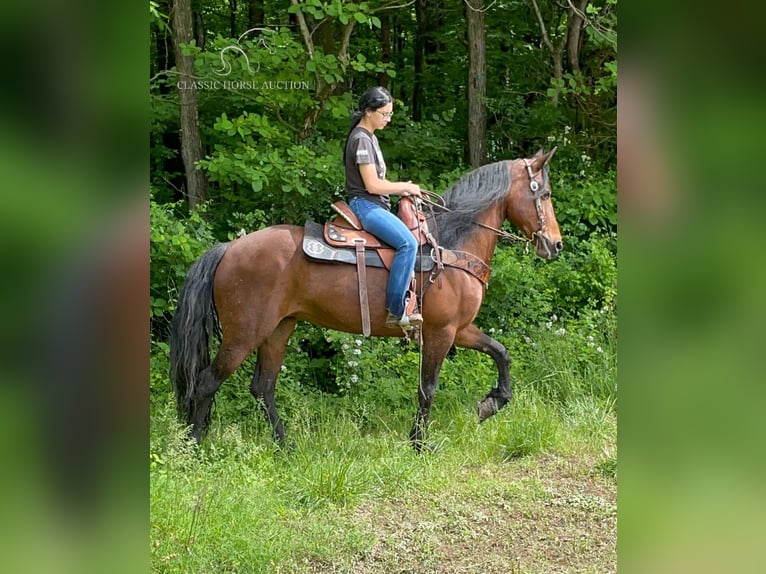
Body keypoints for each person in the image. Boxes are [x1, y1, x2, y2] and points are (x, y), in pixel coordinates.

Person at [344, 86, 423, 329]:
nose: (387, 119)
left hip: (374, 204)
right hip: (366, 205)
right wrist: (404, 188)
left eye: (390, 115)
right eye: (384, 114)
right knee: (408, 243)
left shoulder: (370, 137)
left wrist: (402, 188)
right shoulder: (361, 139)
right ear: (369, 111)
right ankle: (397, 309)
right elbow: (372, 184)